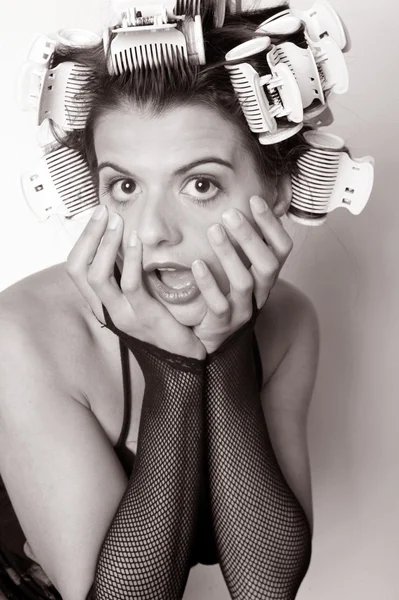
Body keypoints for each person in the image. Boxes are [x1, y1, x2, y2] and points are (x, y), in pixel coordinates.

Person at [0, 2, 323, 599]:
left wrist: (223, 353)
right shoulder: (20, 333)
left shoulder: (291, 321)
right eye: (124, 186)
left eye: (200, 185)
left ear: (277, 192)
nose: (150, 231)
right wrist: (173, 370)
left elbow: (267, 589)